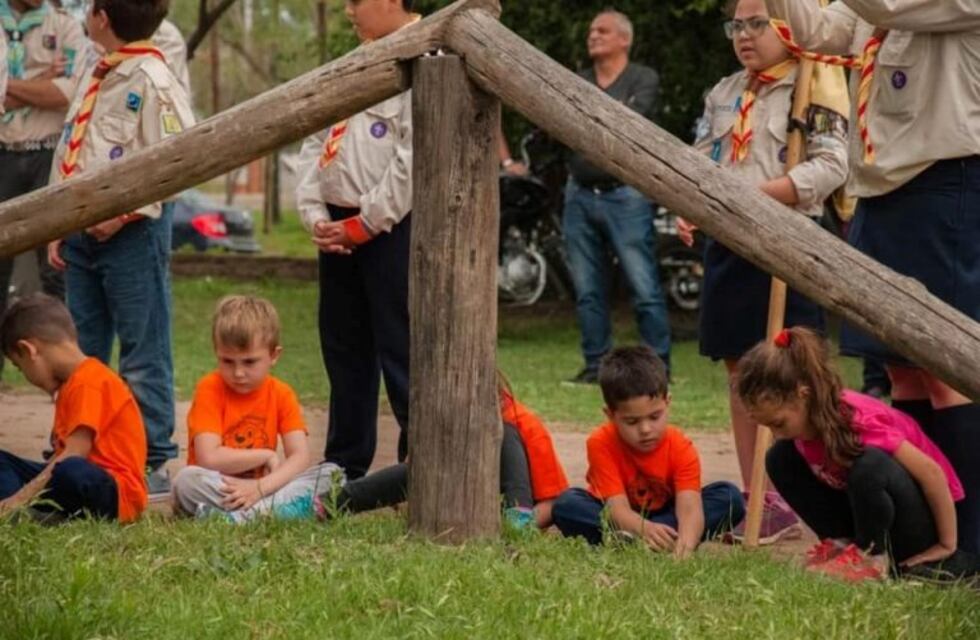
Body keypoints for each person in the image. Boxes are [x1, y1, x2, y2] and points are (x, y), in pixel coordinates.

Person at [765, 0, 980, 556]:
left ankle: (970, 539)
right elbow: (819, 27)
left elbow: (885, 6)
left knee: (944, 369)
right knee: (900, 370)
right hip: (882, 187)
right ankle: (922, 534)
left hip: (945, 177)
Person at [680, 0, 849, 544]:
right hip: (730, 241)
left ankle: (820, 489)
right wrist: (688, 203)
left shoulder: (814, 81)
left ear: (786, 27)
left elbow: (830, 165)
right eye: (737, 25)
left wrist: (756, 199)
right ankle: (764, 500)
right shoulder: (725, 90)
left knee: (793, 370)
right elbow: (702, 154)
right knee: (742, 371)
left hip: (789, 239)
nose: (744, 36)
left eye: (758, 24)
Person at [45, 0, 196, 498]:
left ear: (102, 17)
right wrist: (54, 223)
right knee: (81, 348)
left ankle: (151, 456)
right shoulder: (97, 70)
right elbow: (72, 145)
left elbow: (178, 162)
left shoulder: (154, 79)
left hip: (132, 235)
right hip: (79, 233)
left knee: (143, 348)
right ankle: (75, 446)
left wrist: (125, 212)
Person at [737, 327, 978, 583]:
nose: (777, 433)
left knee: (869, 466)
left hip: (919, 523)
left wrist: (948, 544)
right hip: (877, 519)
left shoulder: (858, 421)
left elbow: (932, 472)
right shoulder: (801, 429)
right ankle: (842, 546)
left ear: (803, 394)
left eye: (779, 423)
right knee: (779, 457)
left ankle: (869, 558)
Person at [294, 0, 418, 481]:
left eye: (355, 1)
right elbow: (313, 140)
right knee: (343, 344)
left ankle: (419, 462)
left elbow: (412, 157)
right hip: (336, 225)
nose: (348, 10)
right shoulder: (353, 61)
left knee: (401, 343)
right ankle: (345, 461)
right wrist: (315, 215)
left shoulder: (424, 58)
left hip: (391, 224)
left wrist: (368, 221)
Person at [562, 9, 671, 384]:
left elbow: (632, 128)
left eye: (603, 30)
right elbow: (566, 128)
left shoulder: (644, 78)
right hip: (578, 193)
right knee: (587, 290)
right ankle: (595, 365)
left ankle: (658, 367)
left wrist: (588, 122)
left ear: (624, 39)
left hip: (626, 193)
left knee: (644, 286)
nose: (593, 35)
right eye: (591, 30)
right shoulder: (579, 79)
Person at [551, 346, 745, 555]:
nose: (645, 429)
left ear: (667, 402)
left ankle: (639, 542)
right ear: (610, 414)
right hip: (619, 516)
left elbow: (689, 509)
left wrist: (686, 547)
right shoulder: (600, 442)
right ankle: (648, 540)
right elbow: (617, 509)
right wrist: (645, 529)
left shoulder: (680, 446)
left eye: (654, 417)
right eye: (632, 421)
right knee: (567, 505)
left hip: (669, 515)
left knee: (729, 497)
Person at [172, 296, 343, 523]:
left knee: (333, 475)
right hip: (221, 487)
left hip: (264, 489)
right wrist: (266, 455)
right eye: (227, 361)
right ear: (216, 353)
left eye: (249, 362)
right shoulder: (209, 388)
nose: (238, 373)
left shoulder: (282, 393)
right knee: (185, 481)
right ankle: (270, 514)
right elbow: (208, 458)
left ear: (274, 355)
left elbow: (300, 456)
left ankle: (239, 519)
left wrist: (260, 488)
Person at [323, 374, 569, 530]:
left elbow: (552, 500)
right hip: (448, 507)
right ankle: (328, 503)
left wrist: (514, 527)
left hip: (503, 514)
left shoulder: (524, 423)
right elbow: (409, 479)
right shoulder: (438, 420)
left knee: (506, 432)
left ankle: (518, 514)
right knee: (418, 468)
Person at [0, 294, 147, 523]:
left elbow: (74, 454)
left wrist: (21, 497)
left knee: (70, 470)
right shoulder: (71, 383)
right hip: (72, 479)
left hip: (114, 493)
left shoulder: (90, 381)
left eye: (21, 368)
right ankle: (18, 510)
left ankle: (22, 509)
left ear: (29, 350)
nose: (26, 377)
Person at [0, 0, 87, 377]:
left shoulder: (65, 26)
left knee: (55, 269)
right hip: (3, 153)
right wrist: (41, 85)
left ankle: (62, 378)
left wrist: (8, 87)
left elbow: (69, 92)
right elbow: (50, 90)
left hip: (47, 156)